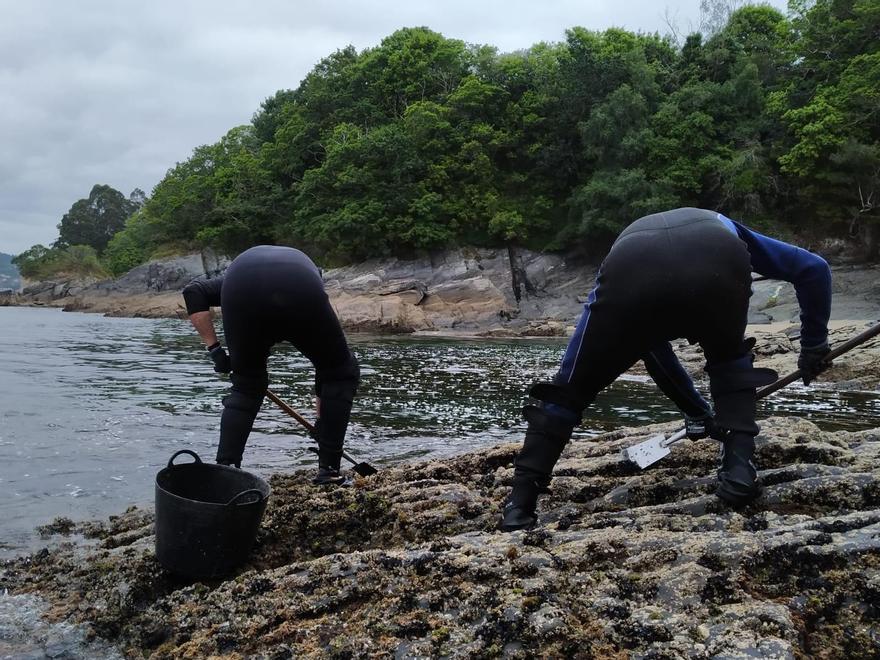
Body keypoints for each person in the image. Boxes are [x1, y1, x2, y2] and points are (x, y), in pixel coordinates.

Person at [500, 207, 832, 531]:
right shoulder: (725, 226)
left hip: (631, 266)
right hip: (717, 255)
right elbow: (814, 269)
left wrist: (697, 410)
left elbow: (650, 346)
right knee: (729, 358)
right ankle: (739, 473)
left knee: (567, 392)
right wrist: (813, 346)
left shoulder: (628, 248)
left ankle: (519, 506)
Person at [182, 245, 360, 484]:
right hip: (300, 287)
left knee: (247, 387)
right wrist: (324, 422)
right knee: (340, 373)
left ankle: (226, 472)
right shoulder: (309, 274)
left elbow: (193, 292)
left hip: (241, 289)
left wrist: (215, 350)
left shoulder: (230, 279)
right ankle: (329, 471)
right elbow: (328, 371)